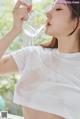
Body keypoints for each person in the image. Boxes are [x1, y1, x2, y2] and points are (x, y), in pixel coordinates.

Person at [0, 0, 80, 119]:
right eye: (51, 8)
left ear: (77, 23)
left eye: (58, 9)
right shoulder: (33, 54)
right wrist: (15, 29)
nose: (48, 13)